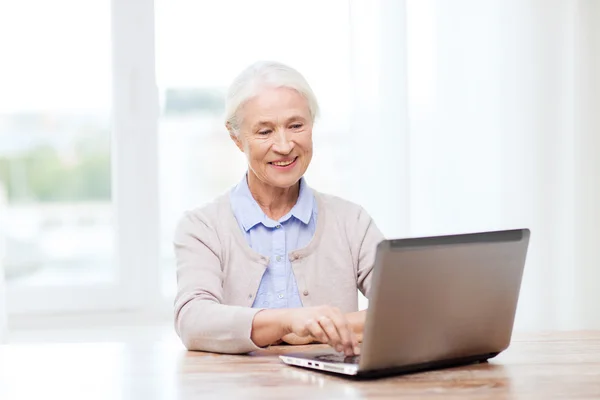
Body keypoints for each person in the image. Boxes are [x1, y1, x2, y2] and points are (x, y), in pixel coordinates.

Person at [174, 61, 384, 356]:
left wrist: (312, 327)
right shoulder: (202, 227)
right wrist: (289, 321)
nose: (284, 146)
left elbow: (407, 309)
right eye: (264, 131)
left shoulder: (352, 221)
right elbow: (193, 320)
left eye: (296, 125)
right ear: (236, 138)